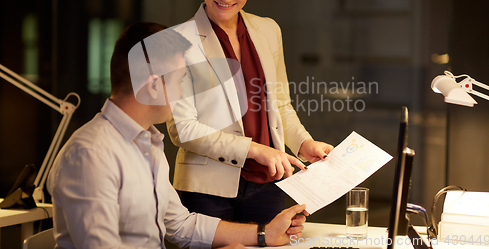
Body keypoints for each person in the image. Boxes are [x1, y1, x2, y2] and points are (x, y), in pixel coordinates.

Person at [47, 22, 307, 249]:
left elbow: (182, 225)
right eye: (180, 80)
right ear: (153, 85)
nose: (183, 92)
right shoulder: (90, 155)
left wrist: (265, 233)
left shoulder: (147, 143)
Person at [168, 0, 334, 224]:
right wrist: (255, 150)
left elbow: (280, 106)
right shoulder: (177, 41)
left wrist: (304, 143)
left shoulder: (268, 30)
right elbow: (182, 129)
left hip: (268, 182)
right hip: (206, 189)